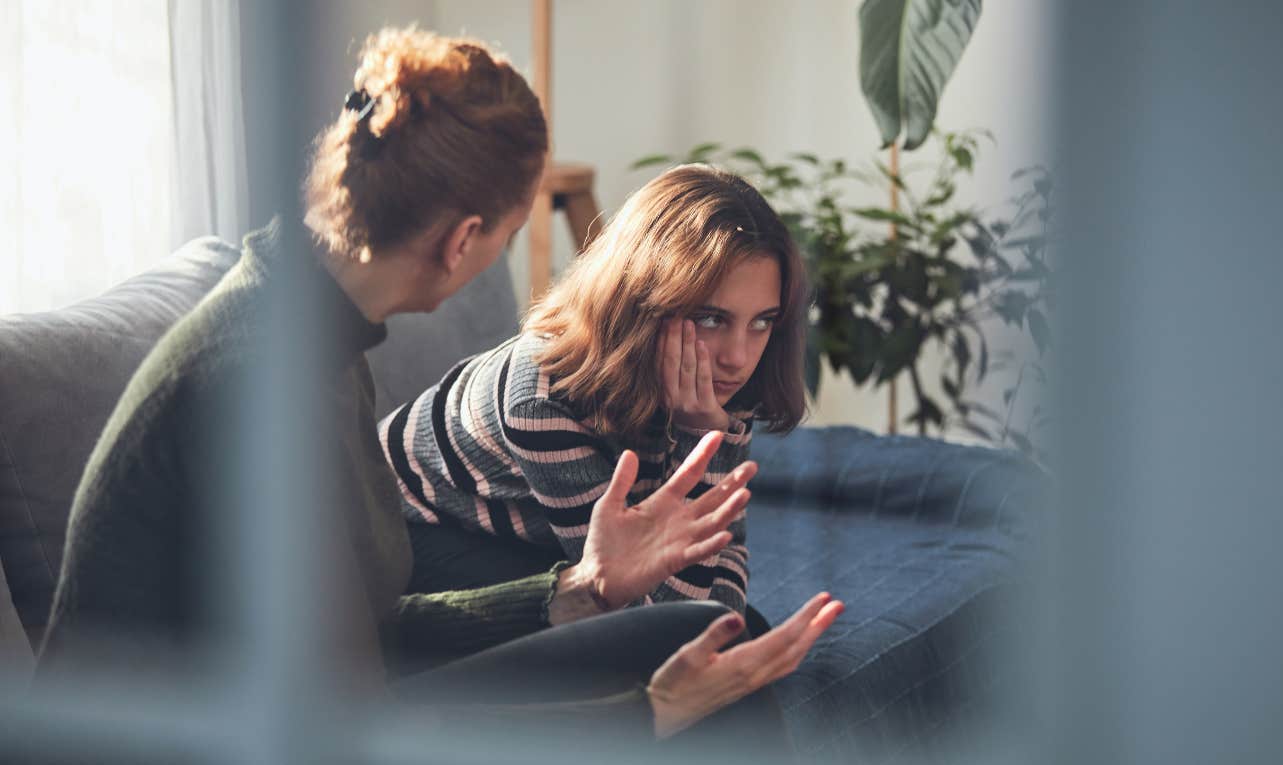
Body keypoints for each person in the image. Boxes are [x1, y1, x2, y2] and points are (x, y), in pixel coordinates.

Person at [35, 26, 842, 747]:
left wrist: (580, 587)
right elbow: (344, 716)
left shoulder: (310, 336)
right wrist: (645, 709)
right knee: (708, 693)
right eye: (511, 231)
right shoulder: (256, 389)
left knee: (716, 638)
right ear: (463, 240)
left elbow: (375, 631)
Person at [381, 164, 807, 623]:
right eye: (710, 319)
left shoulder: (721, 382)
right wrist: (699, 437)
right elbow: (648, 612)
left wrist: (704, 433)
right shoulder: (543, 397)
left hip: (543, 539)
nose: (738, 357)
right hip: (412, 534)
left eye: (762, 321)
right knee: (648, 642)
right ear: (644, 302)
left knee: (742, 631)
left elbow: (721, 561)